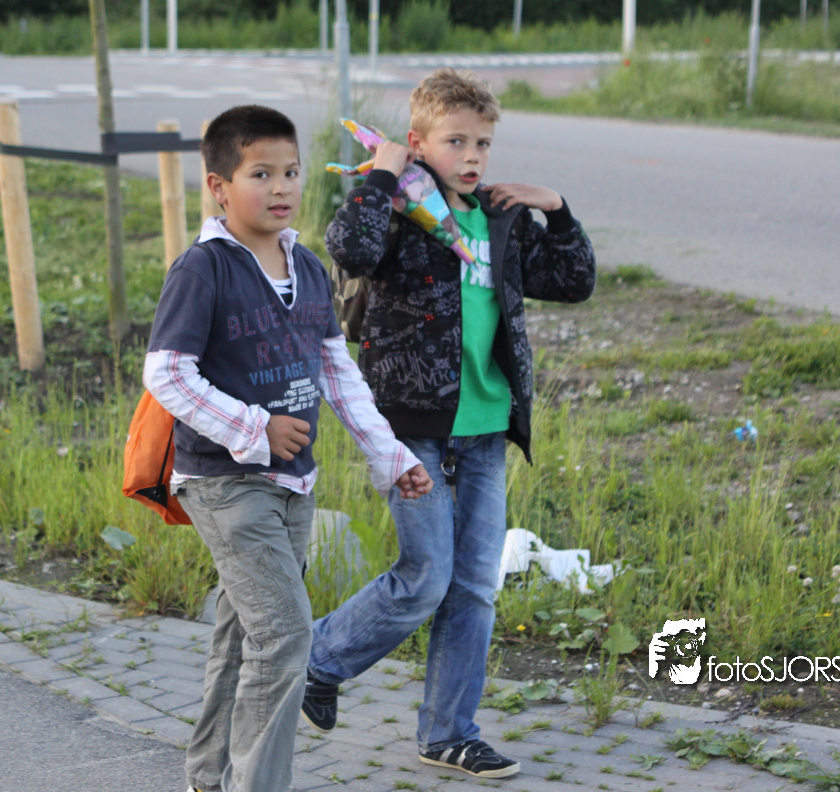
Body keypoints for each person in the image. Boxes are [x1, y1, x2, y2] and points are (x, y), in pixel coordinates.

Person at [304, 68, 597, 779]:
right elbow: (348, 248)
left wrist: (556, 209)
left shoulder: (500, 219)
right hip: (412, 427)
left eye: (482, 143)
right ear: (417, 143)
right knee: (426, 577)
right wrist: (382, 176)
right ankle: (316, 658)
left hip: (486, 428)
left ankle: (448, 734)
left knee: (474, 588)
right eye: (455, 141)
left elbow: (574, 281)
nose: (472, 156)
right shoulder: (402, 214)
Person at [143, 104, 432, 792]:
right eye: (261, 174)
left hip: (294, 484)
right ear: (219, 187)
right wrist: (254, 428)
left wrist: (390, 455)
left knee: (244, 635)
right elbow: (167, 374)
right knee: (285, 637)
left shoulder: (304, 265)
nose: (281, 187)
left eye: (292, 172)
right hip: (224, 483)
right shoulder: (204, 269)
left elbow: (337, 370)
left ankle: (208, 776)